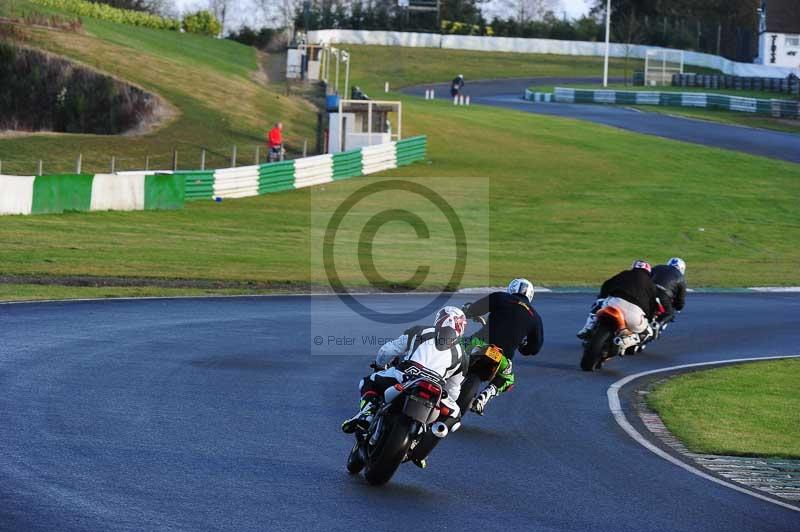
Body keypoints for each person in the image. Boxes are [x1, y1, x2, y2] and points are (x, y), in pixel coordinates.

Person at [341, 306, 468, 466]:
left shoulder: (420, 330)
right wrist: (445, 399)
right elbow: (454, 390)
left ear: (440, 319)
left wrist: (379, 365)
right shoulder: (463, 355)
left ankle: (366, 414)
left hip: (406, 376)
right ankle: (422, 447)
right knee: (455, 415)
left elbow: (388, 350)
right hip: (436, 388)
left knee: (369, 381)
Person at [461, 278, 544, 415]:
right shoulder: (535, 317)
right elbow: (534, 348)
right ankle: (485, 396)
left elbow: (475, 309)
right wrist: (523, 348)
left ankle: (437, 375)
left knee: (453, 345)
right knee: (508, 379)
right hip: (502, 358)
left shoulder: (500, 297)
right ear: (530, 295)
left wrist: (468, 311)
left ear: (512, 289)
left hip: (477, 344)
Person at [577, 260, 660, 349]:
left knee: (599, 303)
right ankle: (626, 341)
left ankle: (588, 326)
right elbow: (653, 307)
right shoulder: (652, 285)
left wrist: (602, 297)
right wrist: (648, 318)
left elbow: (607, 285)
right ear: (648, 272)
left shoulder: (625, 274)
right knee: (648, 332)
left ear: (633, 267)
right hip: (634, 316)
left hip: (614, 304)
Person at [650, 257, 687, 326]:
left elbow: (646, 276)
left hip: (648, 291)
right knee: (669, 314)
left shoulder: (658, 267)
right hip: (662, 295)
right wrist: (679, 307)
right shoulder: (681, 278)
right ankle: (657, 325)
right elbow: (681, 298)